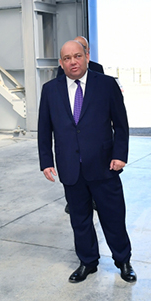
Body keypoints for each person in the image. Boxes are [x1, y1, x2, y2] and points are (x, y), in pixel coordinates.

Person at [38, 40, 136, 284]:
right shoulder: (50, 90)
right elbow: (44, 129)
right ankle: (88, 262)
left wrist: (120, 155)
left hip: (104, 165)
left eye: (77, 56)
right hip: (70, 167)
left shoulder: (106, 85)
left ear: (87, 57)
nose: (73, 62)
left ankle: (123, 261)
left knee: (113, 217)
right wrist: (46, 161)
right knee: (79, 219)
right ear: (61, 63)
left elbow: (121, 124)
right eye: (67, 58)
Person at [58, 36, 102, 214]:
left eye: (79, 52)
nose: (73, 60)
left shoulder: (98, 70)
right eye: (68, 57)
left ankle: (94, 199)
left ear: (87, 53)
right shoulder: (61, 75)